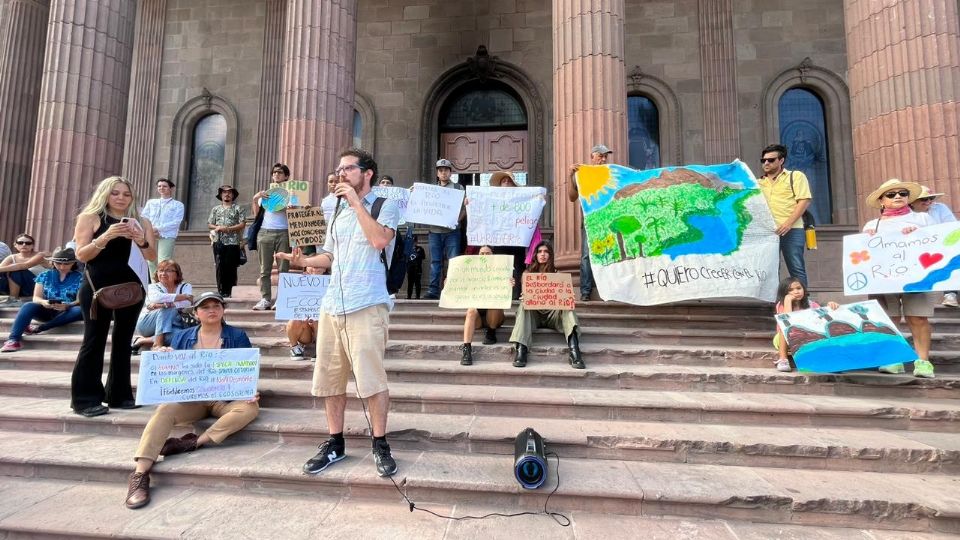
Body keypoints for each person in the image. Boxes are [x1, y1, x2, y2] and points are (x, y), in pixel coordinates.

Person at [276, 147, 400, 478]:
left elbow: (378, 241)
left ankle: (380, 443)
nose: (340, 174)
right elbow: (330, 256)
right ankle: (335, 442)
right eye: (338, 169)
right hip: (332, 305)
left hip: (368, 303)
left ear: (367, 173)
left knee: (372, 381)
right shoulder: (337, 210)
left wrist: (357, 203)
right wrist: (303, 262)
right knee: (331, 379)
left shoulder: (385, 205)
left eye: (347, 169)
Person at [124, 292, 259, 509]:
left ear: (223, 310)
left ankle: (194, 442)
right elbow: (172, 370)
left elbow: (245, 367)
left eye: (217, 305)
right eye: (205, 307)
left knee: (250, 408)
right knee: (164, 409)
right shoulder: (182, 337)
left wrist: (249, 388)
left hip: (225, 398)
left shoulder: (237, 335)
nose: (212, 310)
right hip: (193, 399)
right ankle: (140, 474)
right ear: (196, 313)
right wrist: (164, 355)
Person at [72, 176, 156, 417]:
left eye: (126, 194)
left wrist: (140, 238)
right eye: (115, 193)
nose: (121, 198)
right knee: (93, 340)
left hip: (131, 288)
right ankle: (85, 399)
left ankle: (119, 395)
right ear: (105, 194)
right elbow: (82, 255)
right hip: (97, 289)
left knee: (123, 342)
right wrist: (106, 236)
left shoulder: (141, 221)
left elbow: (151, 256)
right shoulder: (90, 218)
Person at [862, 179, 936, 378]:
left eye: (902, 193)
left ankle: (923, 361)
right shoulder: (872, 224)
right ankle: (893, 359)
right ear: (881, 200)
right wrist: (866, 239)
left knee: (918, 317)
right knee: (888, 318)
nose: (897, 197)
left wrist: (918, 234)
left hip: (917, 276)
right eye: (891, 194)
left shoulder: (923, 219)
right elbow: (863, 254)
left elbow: (936, 243)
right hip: (884, 278)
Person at [509, 241, 584, 369]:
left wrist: (568, 297)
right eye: (539, 252)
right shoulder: (527, 274)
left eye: (546, 252)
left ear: (550, 255)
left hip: (552, 315)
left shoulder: (558, 275)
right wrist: (518, 292)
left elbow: (564, 298)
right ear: (535, 255)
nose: (543, 254)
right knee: (522, 306)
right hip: (534, 315)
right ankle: (521, 349)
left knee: (568, 308)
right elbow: (523, 295)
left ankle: (574, 350)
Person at [1, 247, 83, 353]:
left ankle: (40, 328)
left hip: (67, 311)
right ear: (53, 262)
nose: (62, 267)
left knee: (80, 310)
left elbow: (79, 300)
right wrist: (44, 302)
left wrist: (67, 305)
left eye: (66, 264)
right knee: (28, 305)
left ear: (73, 263)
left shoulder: (81, 277)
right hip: (46, 309)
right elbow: (36, 297)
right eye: (58, 263)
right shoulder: (45, 275)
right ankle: (13, 340)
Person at [757, 143, 812, 289]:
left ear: (781, 160)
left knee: (796, 268)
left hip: (792, 229)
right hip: (768, 232)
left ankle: (802, 304)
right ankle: (774, 304)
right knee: (770, 270)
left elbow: (804, 200)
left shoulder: (796, 176)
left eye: (771, 160)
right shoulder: (759, 183)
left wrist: (788, 223)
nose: (766, 163)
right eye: (763, 160)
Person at [567, 144, 612, 301]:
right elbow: (572, 197)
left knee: (610, 253)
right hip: (590, 221)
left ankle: (608, 290)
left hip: (609, 220)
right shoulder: (582, 174)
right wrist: (570, 175)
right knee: (587, 255)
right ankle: (585, 291)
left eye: (605, 156)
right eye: (600, 156)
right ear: (592, 157)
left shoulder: (611, 173)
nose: (603, 159)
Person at [772, 276, 839, 372]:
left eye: (798, 288)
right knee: (784, 328)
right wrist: (787, 300)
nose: (796, 292)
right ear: (784, 293)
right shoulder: (782, 304)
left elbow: (822, 319)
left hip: (804, 337)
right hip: (783, 339)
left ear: (804, 289)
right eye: (791, 290)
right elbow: (786, 320)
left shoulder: (812, 305)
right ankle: (783, 359)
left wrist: (831, 306)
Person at [251, 163, 293, 310]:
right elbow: (256, 215)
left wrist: (291, 208)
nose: (276, 175)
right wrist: (255, 199)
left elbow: (297, 215)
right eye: (274, 172)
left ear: (286, 176)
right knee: (264, 269)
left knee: (284, 269)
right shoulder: (266, 193)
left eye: (280, 172)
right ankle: (265, 299)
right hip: (265, 232)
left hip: (284, 232)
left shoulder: (292, 194)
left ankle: (281, 299)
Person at [424, 158, 465, 300]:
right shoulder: (429, 190)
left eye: (446, 170)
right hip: (434, 232)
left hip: (452, 231)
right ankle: (433, 291)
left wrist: (456, 221)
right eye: (441, 170)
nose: (443, 173)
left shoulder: (459, 188)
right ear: (437, 173)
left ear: (450, 172)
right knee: (435, 262)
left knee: (453, 261)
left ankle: (452, 290)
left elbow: (464, 210)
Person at [910, 185, 958, 307]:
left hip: (941, 243)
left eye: (931, 198)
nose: (929, 201)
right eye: (924, 199)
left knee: (950, 259)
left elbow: (951, 225)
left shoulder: (940, 208)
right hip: (916, 248)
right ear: (913, 201)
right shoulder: (906, 214)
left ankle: (950, 294)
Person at [459, 245, 506, 366]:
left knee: (494, 304)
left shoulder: (502, 269)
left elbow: (505, 295)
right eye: (482, 253)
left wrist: (510, 284)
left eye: (488, 253)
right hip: (478, 316)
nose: (485, 256)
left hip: (494, 314)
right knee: (470, 311)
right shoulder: (470, 271)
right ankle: (466, 349)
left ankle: (491, 332)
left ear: (493, 256)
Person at [133, 260, 193, 351]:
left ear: (177, 274)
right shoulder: (152, 287)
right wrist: (182, 297)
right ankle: (157, 344)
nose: (163, 273)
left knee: (181, 336)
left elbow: (187, 303)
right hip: (147, 324)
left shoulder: (185, 286)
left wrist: (162, 304)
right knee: (168, 310)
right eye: (160, 271)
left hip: (174, 323)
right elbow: (156, 298)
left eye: (168, 270)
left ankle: (142, 340)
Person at [140, 178, 185, 279]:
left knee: (164, 261)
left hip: (167, 235)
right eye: (159, 186)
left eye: (164, 186)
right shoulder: (151, 202)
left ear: (171, 188)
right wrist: (150, 230)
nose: (161, 188)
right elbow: (144, 217)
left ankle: (163, 283)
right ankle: (154, 283)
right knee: (150, 260)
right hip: (150, 234)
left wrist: (158, 229)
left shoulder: (178, 205)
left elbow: (176, 222)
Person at [208, 185, 247, 298]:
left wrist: (228, 229)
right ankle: (221, 291)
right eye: (224, 192)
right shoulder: (216, 209)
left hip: (233, 241)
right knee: (220, 266)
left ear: (233, 195)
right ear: (221, 195)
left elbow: (242, 224)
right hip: (218, 241)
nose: (227, 194)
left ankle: (230, 290)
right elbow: (210, 223)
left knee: (231, 267)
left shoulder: (238, 208)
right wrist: (217, 227)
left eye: (229, 192)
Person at [0, 233, 50, 305]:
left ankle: (13, 299)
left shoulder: (39, 256)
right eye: (20, 243)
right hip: (22, 288)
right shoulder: (12, 257)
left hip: (39, 287)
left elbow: (24, 266)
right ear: (15, 245)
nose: (24, 245)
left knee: (17, 271)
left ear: (32, 246)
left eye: (28, 243)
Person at [287, 267, 320, 360]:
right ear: (306, 269)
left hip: (323, 328)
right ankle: (295, 348)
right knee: (294, 320)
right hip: (306, 331)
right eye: (311, 266)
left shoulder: (331, 283)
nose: (315, 269)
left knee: (318, 321)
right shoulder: (297, 284)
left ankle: (320, 350)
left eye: (318, 266)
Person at [406, 235, 425, 299]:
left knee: (418, 283)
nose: (413, 243)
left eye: (414, 241)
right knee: (410, 283)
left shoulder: (420, 249)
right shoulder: (408, 249)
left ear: (417, 242)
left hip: (417, 268)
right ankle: (409, 296)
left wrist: (417, 253)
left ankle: (418, 297)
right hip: (410, 268)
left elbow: (423, 257)